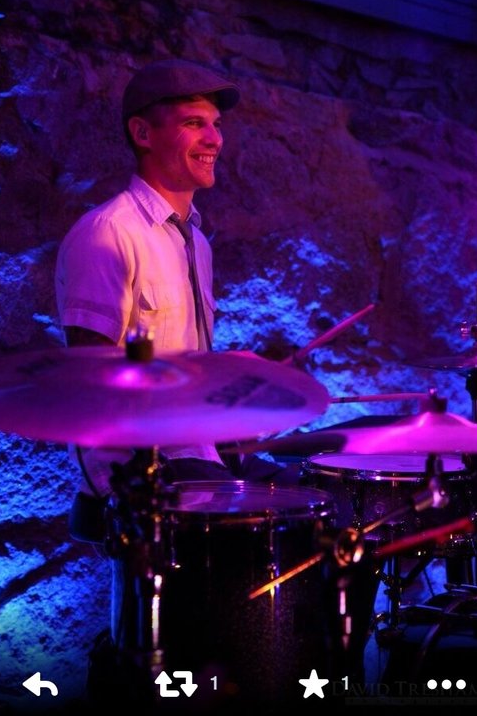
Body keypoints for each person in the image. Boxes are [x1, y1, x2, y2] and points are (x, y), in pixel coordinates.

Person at [55, 58, 301, 543]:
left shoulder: (197, 244)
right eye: (194, 123)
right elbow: (91, 387)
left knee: (319, 497)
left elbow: (189, 373)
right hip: (141, 468)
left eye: (216, 124)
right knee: (267, 530)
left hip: (200, 452)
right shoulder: (108, 234)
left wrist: (230, 388)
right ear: (143, 133)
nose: (215, 139)